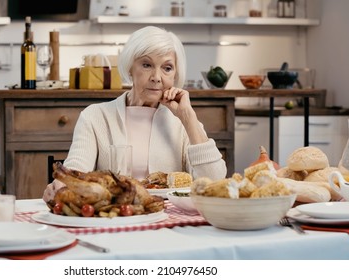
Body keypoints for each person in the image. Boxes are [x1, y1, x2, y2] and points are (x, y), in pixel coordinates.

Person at [63, 26, 227, 181]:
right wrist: (62, 183)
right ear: (130, 68)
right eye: (147, 65)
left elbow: (214, 181)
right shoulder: (95, 116)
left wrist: (188, 117)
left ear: (175, 75)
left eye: (167, 68)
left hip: (168, 211)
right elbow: (75, 173)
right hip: (119, 210)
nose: (156, 77)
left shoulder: (183, 123)